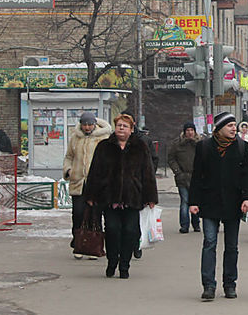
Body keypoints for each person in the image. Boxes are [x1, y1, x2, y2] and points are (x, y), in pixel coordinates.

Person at [83, 114, 158, 280]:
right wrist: (91, 194)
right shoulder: (104, 147)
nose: (121, 129)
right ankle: (112, 262)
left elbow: (148, 173)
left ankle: (125, 265)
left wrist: (150, 196)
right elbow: (95, 171)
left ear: (131, 130)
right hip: (110, 198)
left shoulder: (140, 147)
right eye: (119, 126)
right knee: (112, 230)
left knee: (130, 231)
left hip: (133, 198)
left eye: (125, 126)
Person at [188, 112, 248, 300]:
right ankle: (208, 285)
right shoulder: (204, 147)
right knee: (209, 243)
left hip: (234, 204)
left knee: (232, 246)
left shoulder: (242, 147)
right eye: (230, 125)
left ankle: (229, 284)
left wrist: (247, 198)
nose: (234, 128)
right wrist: (193, 201)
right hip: (210, 203)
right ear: (219, 128)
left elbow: (247, 176)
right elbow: (197, 176)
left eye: (235, 125)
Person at [63, 112, 112, 258]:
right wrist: (69, 170)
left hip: (97, 183)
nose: (87, 127)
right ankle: (79, 244)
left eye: (90, 124)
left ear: (95, 124)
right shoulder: (75, 138)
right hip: (79, 181)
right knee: (78, 213)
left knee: (95, 214)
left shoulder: (103, 138)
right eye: (85, 124)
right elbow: (69, 157)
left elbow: (109, 159)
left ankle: (94, 245)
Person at [166, 122, 200, 234]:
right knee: (185, 201)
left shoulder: (200, 143)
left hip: (197, 177)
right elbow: (171, 159)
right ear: (184, 132)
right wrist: (177, 172)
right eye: (188, 130)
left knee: (196, 201)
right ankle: (184, 225)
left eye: (192, 130)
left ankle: (196, 224)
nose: (190, 132)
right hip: (182, 177)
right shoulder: (177, 144)